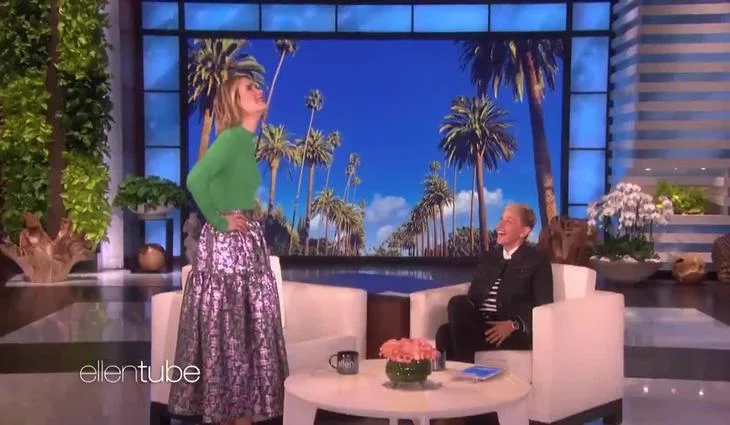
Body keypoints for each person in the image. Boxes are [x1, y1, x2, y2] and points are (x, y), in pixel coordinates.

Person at [167, 74, 288, 425]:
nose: (258, 90)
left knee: (242, 336)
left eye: (256, 85)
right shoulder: (232, 139)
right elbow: (195, 179)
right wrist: (219, 222)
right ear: (235, 102)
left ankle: (238, 415)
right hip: (228, 251)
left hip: (244, 246)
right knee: (232, 335)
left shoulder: (243, 141)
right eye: (248, 88)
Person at [435, 204, 553, 424]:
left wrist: (514, 324)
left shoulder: (537, 261)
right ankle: (466, 398)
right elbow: (473, 298)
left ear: (524, 231)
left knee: (446, 334)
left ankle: (460, 406)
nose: (500, 225)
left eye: (508, 221)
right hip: (484, 325)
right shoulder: (488, 258)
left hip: (513, 330)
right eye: (500, 219)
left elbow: (545, 306)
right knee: (453, 312)